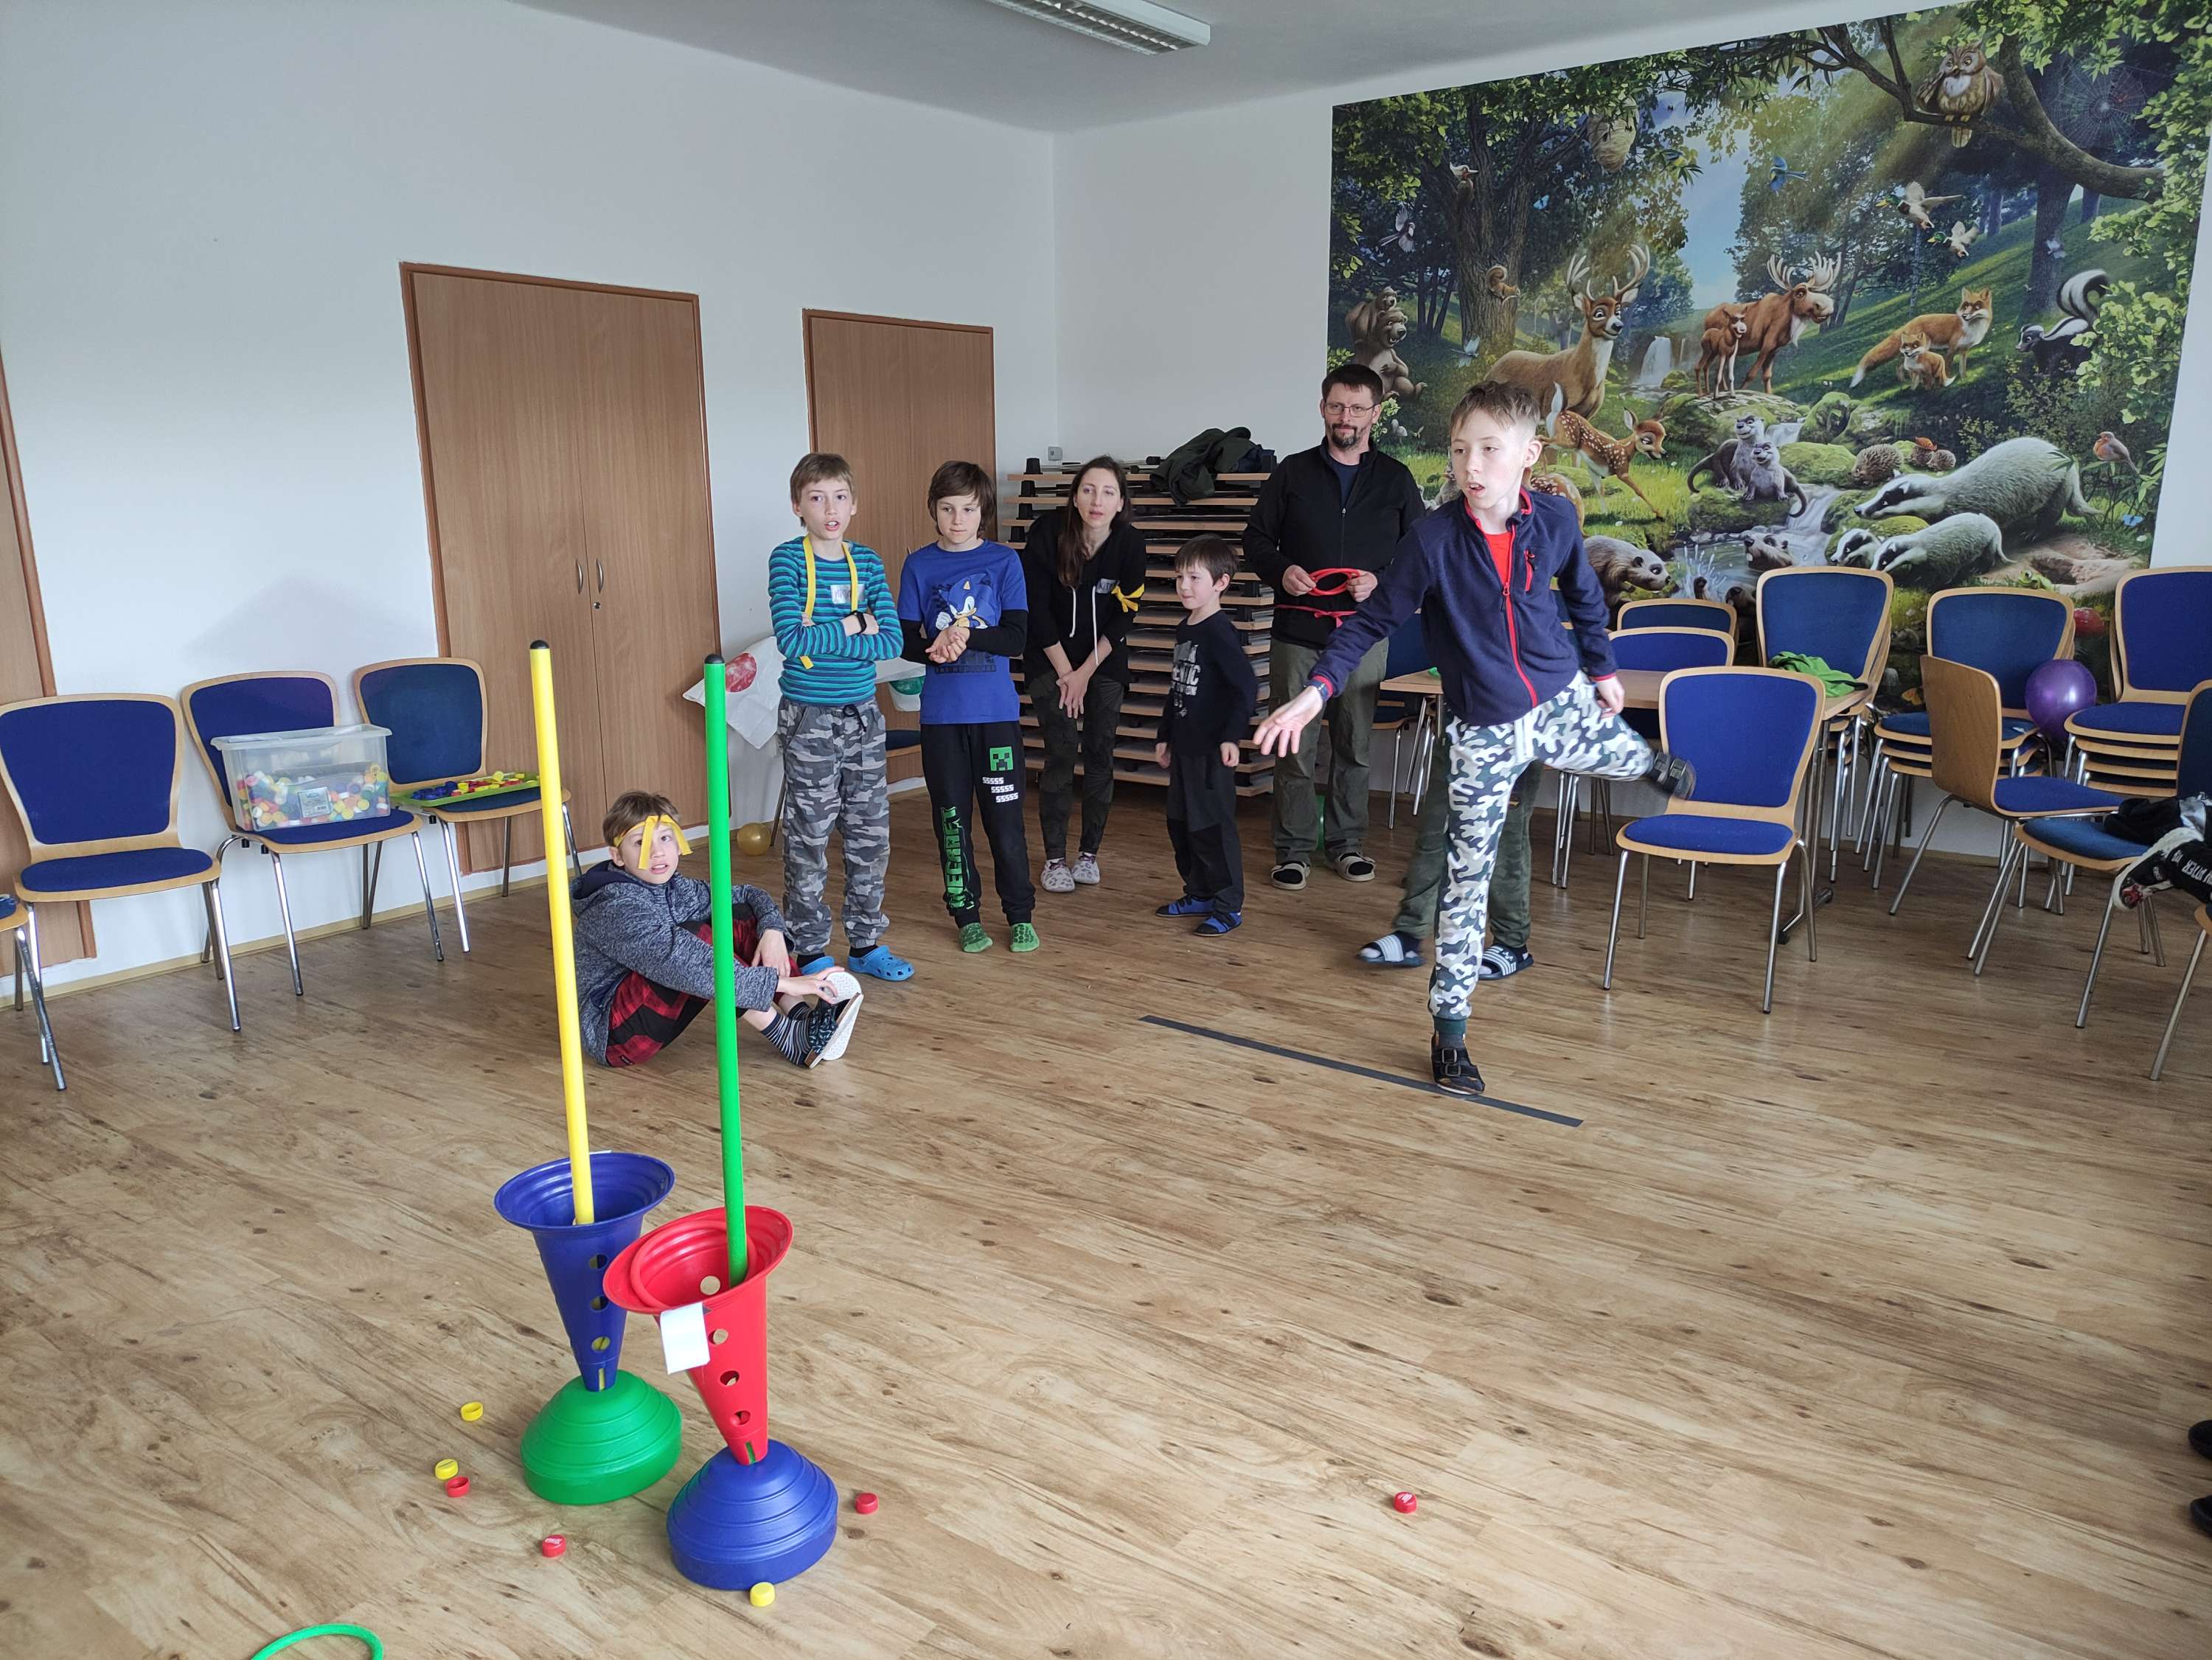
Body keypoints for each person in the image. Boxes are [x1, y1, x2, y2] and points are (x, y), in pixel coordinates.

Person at [1256, 382, 1697, 1098]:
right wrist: (1315, 692)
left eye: (1490, 449)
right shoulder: (1432, 540)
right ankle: (1451, 1032)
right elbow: (1369, 624)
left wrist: (1603, 668)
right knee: (1467, 885)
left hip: (1556, 699)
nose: (1472, 465)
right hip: (1481, 732)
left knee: (1615, 753)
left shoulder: (1555, 519)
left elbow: (1585, 594)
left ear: (1530, 454)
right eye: (1461, 449)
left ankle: (1646, 761)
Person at [1243, 364, 1427, 892]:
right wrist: (1282, 571)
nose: (1346, 417)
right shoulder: (1292, 473)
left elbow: (1419, 554)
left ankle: (1347, 844)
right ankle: (1294, 849)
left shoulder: (1396, 479)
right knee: (1294, 746)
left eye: (1357, 408)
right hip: (1297, 633)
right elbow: (1255, 539)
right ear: (1323, 409)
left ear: (1375, 413)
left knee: (1354, 746)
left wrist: (1382, 581)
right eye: (1337, 406)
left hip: (1365, 634)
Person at [571, 792, 860, 1069]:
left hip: (659, 995)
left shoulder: (678, 888)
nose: (657, 852)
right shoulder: (613, 906)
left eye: (665, 838)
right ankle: (790, 1038)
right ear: (618, 856)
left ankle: (802, 1017)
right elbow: (683, 963)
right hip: (615, 1033)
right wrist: (780, 982)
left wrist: (772, 931)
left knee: (737, 914)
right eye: (640, 843)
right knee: (695, 941)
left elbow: (748, 896)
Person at [768, 452, 914, 983]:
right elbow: (792, 641)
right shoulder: (787, 560)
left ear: (854, 505)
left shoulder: (867, 563)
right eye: (817, 498)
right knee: (809, 836)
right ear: (797, 506)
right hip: (808, 717)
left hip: (862, 717)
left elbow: (892, 642)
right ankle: (808, 949)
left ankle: (866, 943)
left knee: (870, 835)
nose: (830, 509)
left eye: (840, 497)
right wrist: (856, 623)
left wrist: (826, 635)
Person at [898, 460, 1039, 955]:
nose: (957, 519)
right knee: (951, 821)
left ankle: (1019, 914)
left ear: (984, 512)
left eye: (968, 509)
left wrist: (962, 634)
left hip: (996, 717)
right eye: (947, 509)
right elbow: (905, 641)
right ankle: (966, 914)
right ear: (933, 510)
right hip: (941, 720)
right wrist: (935, 648)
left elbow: (1016, 638)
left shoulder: (1005, 562)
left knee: (1006, 820)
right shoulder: (919, 566)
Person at [1019, 454, 1149, 892]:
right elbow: (1035, 610)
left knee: (1099, 752)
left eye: (1108, 492)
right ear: (1075, 497)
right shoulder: (1047, 532)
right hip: (1049, 658)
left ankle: (1088, 853)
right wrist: (1066, 673)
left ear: (1120, 503)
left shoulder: (1131, 544)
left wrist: (1085, 673)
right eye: (1089, 490)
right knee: (1060, 750)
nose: (1097, 501)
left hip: (1103, 659)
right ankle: (1054, 859)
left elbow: (1126, 614)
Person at [1360, 730, 1543, 981]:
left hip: (1517, 738)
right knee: (1434, 833)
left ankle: (1513, 944)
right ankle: (1409, 934)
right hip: (1457, 732)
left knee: (1507, 843)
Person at [1152, 535, 1258, 935]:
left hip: (1211, 752)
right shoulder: (1186, 629)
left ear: (1221, 583)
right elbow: (1177, 688)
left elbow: (1246, 688)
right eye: (1180, 577)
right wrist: (1165, 735)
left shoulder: (1220, 632)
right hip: (1184, 749)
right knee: (1181, 824)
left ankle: (1228, 905)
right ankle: (1199, 892)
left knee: (1213, 827)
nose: (1184, 586)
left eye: (1194, 578)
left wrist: (1232, 737)